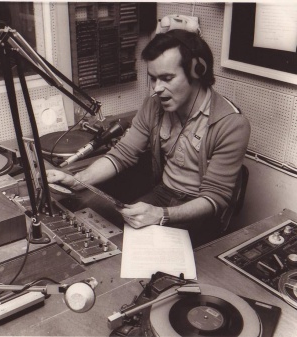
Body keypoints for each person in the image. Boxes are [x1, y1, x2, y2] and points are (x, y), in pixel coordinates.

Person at [47, 29, 251, 246]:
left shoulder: (232, 124)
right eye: (153, 79)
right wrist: (78, 180)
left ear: (197, 71)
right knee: (110, 239)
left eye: (167, 78)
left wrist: (161, 215)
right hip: (162, 194)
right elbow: (122, 155)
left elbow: (214, 199)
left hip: (200, 211)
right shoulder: (153, 106)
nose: (157, 88)